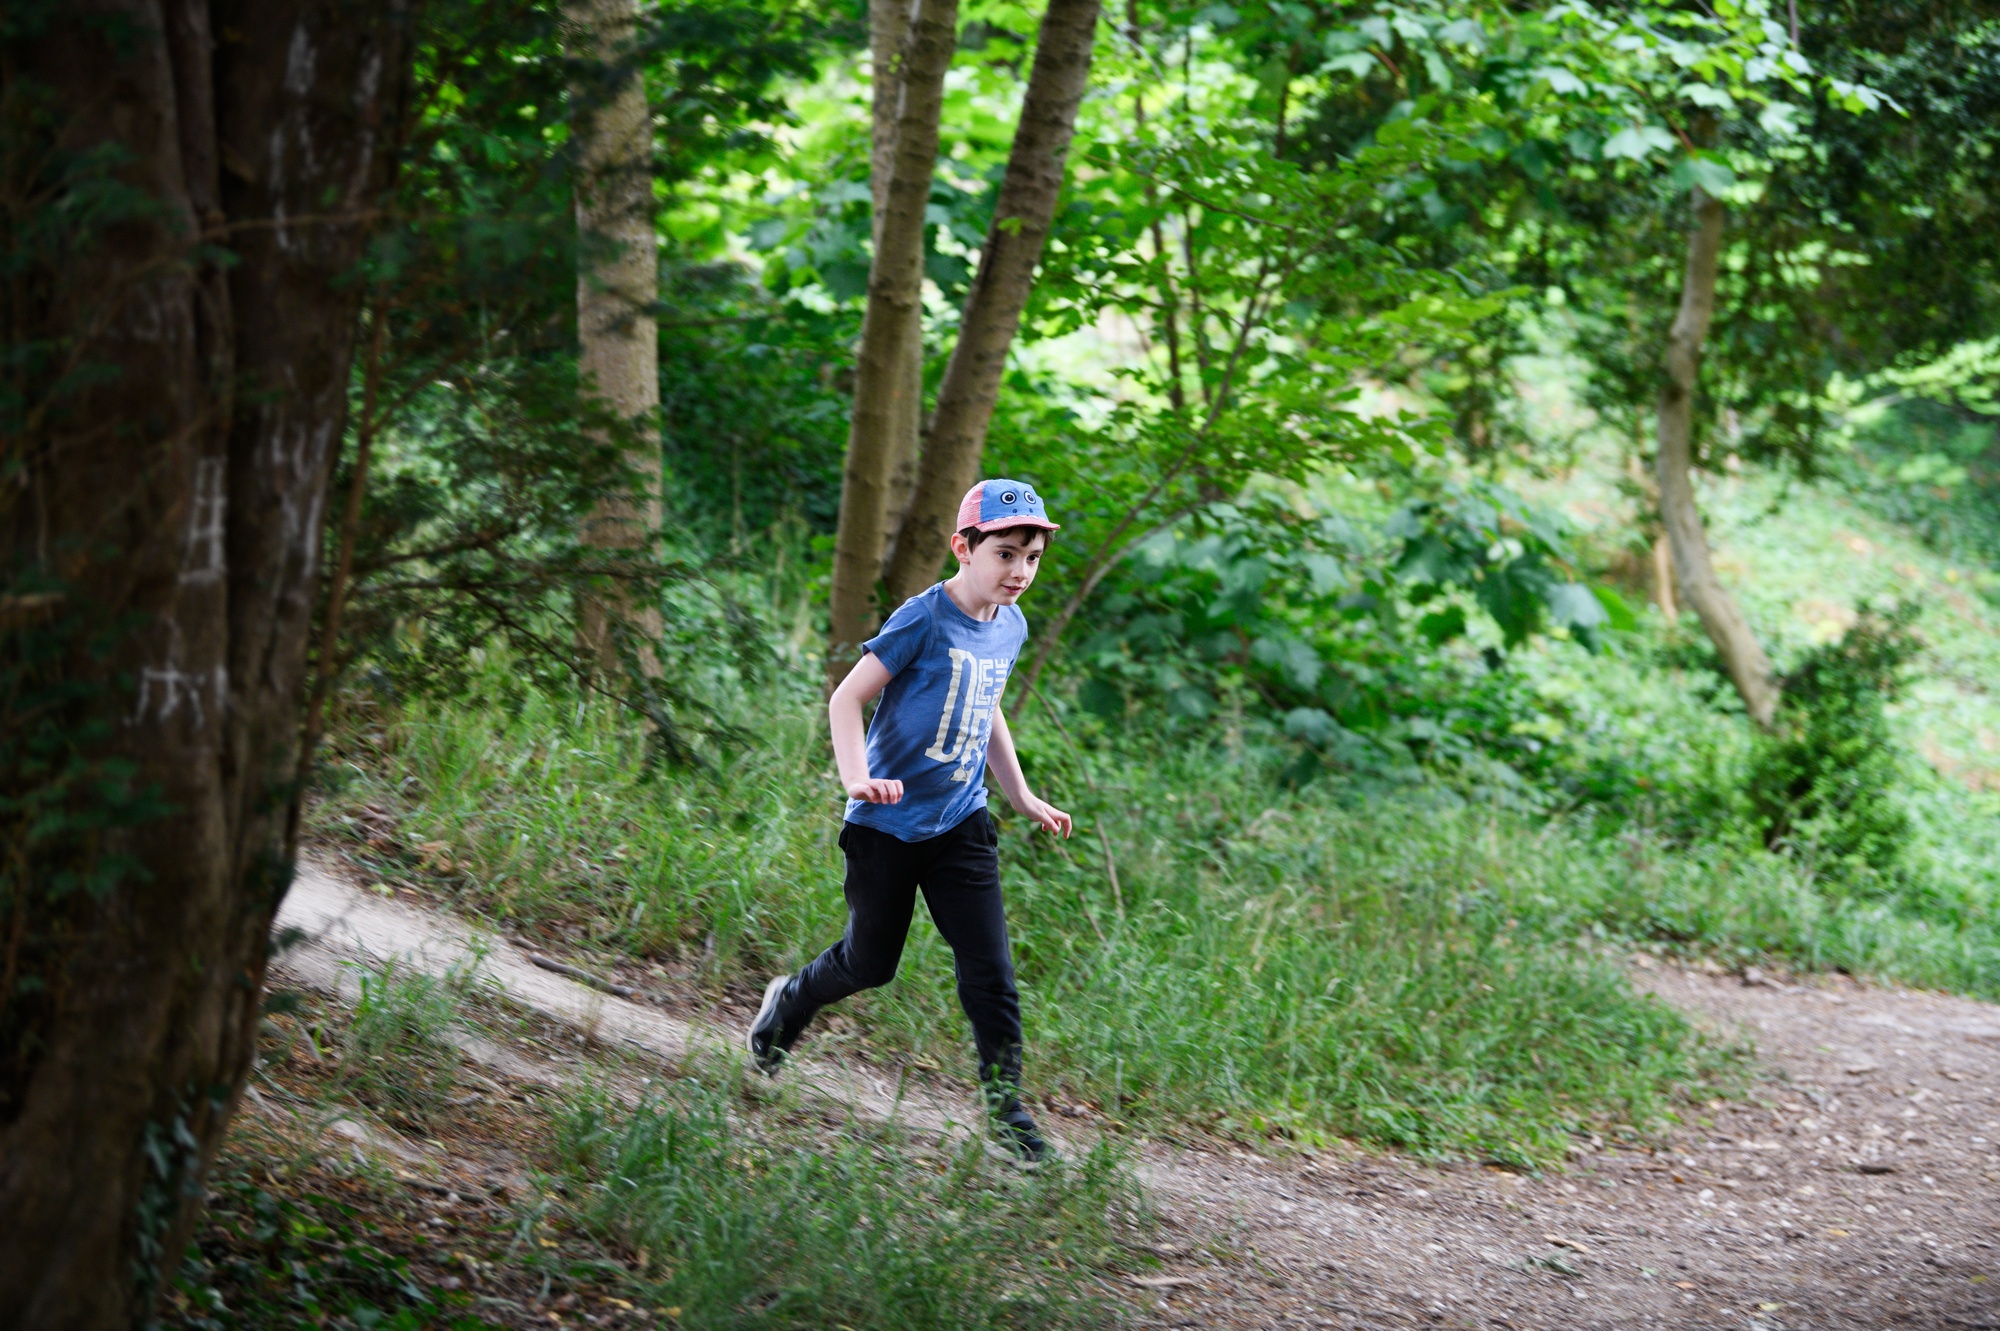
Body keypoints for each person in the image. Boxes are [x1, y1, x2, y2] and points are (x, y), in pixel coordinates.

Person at [747, 478, 1073, 1163]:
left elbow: (985, 703)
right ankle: (789, 1002)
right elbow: (846, 699)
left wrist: (1018, 793)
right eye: (1006, 554)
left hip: (961, 821)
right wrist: (855, 777)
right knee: (869, 963)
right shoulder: (922, 619)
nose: (1020, 571)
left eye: (1032, 558)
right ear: (964, 547)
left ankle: (1006, 1111)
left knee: (991, 970)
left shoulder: (1010, 625)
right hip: (885, 827)